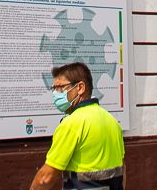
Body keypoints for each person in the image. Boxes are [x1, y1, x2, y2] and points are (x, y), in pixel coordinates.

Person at [28, 62, 124, 190]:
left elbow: (45, 179)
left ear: (80, 88)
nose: (55, 93)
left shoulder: (71, 124)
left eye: (60, 87)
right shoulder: (112, 121)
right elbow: (122, 169)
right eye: (54, 89)